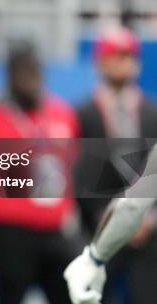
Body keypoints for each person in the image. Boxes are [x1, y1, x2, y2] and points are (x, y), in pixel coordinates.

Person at [0, 43, 81, 304]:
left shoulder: (61, 114)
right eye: (22, 71)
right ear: (9, 77)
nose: (30, 78)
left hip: (54, 231)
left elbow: (74, 166)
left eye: (34, 70)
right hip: (11, 233)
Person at [74, 27, 157, 304]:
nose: (121, 62)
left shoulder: (152, 113)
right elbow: (79, 172)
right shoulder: (83, 114)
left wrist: (148, 218)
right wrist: (105, 217)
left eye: (126, 55)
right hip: (98, 229)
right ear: (100, 61)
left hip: (148, 234)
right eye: (114, 55)